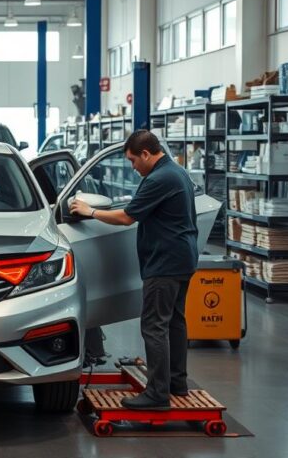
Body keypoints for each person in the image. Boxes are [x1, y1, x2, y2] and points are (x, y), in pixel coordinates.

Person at [69, 130, 198, 410]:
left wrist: (89, 212)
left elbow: (126, 217)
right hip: (183, 259)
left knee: (154, 326)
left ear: (146, 154)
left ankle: (157, 394)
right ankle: (177, 382)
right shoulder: (177, 172)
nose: (132, 167)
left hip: (164, 263)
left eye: (132, 160)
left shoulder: (158, 179)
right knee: (175, 321)